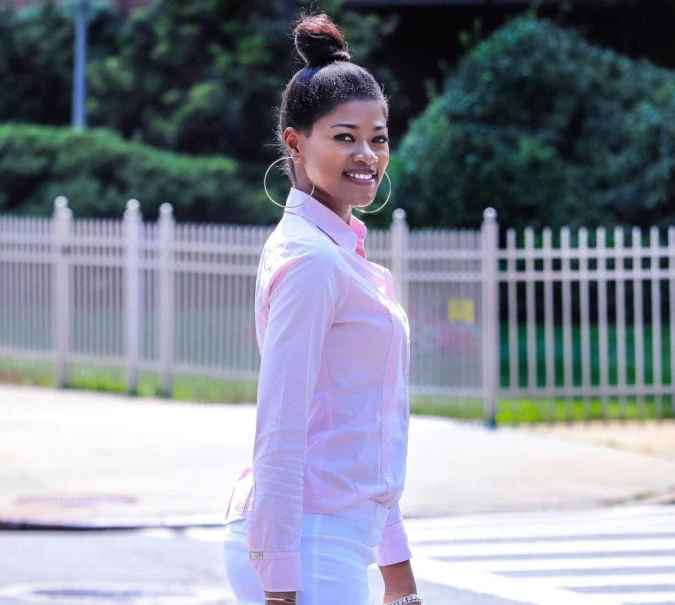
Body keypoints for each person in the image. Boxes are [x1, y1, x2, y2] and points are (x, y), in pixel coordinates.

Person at [222, 12, 422, 605]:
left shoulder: (340, 252)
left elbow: (351, 433)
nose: (367, 154)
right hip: (308, 547)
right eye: (344, 136)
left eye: (378, 137)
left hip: (335, 538)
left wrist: (399, 575)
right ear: (294, 142)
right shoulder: (312, 261)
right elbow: (281, 429)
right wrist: (281, 586)